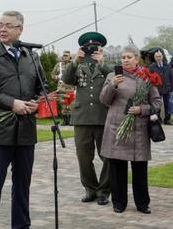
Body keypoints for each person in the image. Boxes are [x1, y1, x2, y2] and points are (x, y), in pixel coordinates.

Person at [0, 10, 42, 229]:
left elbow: (43, 87)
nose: (2, 29)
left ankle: (21, 226)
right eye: (0, 25)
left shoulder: (31, 56)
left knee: (23, 185)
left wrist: (36, 102)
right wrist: (11, 103)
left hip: (25, 131)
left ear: (20, 29)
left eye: (8, 26)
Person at [100, 45, 162, 214]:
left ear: (137, 59)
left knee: (140, 169)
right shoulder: (112, 76)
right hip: (117, 129)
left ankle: (142, 203)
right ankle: (119, 203)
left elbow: (157, 103)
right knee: (117, 168)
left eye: (129, 57)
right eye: (123, 57)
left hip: (139, 130)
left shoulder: (146, 77)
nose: (125, 60)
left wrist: (142, 110)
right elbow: (104, 100)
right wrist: (112, 85)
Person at [62, 32, 112, 205]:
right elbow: (67, 79)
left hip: (102, 116)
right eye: (88, 47)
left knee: (107, 156)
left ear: (100, 48)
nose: (91, 50)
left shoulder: (106, 66)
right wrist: (76, 60)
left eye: (94, 47)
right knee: (83, 157)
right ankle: (90, 188)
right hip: (82, 118)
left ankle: (104, 191)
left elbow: (116, 79)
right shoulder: (78, 65)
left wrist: (102, 63)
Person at [147, 48, 172, 125]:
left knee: (168, 105)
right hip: (157, 89)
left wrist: (172, 88)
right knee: (157, 105)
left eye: (159, 56)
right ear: (154, 58)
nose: (158, 58)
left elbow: (171, 77)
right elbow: (149, 78)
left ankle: (167, 120)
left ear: (162, 57)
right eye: (157, 57)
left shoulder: (168, 66)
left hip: (167, 88)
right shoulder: (151, 67)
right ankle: (158, 119)